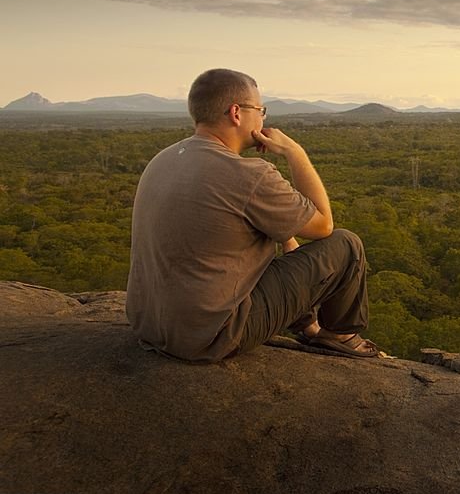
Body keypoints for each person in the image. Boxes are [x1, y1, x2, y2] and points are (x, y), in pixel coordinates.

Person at [126, 68, 379, 362]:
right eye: (261, 110)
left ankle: (309, 327)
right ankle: (339, 337)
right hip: (210, 337)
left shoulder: (162, 159)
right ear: (236, 113)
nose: (262, 119)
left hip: (149, 325)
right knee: (346, 244)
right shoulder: (248, 174)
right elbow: (323, 224)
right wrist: (295, 152)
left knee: (275, 244)